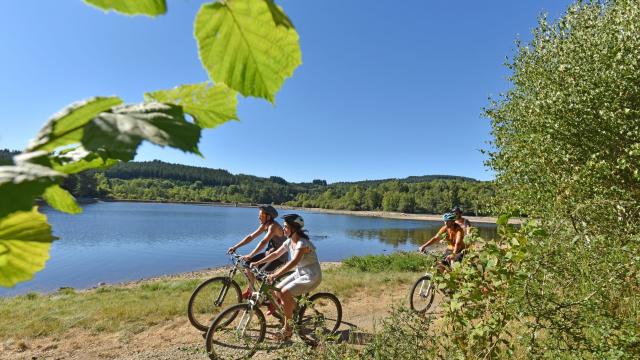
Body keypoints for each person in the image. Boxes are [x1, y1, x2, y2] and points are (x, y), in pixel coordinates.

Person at [251, 213, 322, 341]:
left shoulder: (302, 243)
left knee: (284, 292)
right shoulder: (290, 241)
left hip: (312, 275)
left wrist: (275, 274)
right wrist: (257, 262)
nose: (283, 229)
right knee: (276, 289)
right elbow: (277, 254)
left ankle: (288, 330)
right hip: (301, 272)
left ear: (294, 229)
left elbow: (293, 262)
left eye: (286, 227)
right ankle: (295, 310)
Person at [227, 205, 287, 298]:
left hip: (278, 257)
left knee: (262, 275)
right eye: (259, 215)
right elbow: (251, 237)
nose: (259, 217)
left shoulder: (273, 227)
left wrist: (250, 254)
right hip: (269, 253)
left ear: (268, 217)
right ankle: (250, 290)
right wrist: (235, 247)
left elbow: (263, 242)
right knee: (248, 263)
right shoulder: (264, 225)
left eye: (261, 215)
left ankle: (273, 299)